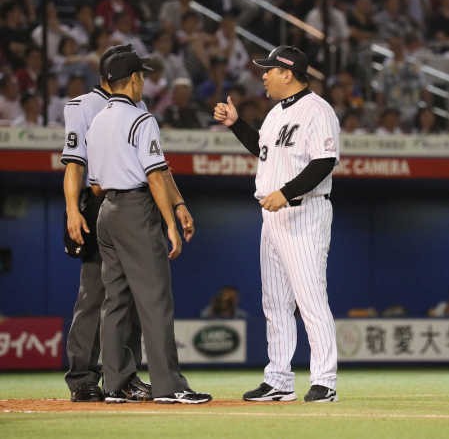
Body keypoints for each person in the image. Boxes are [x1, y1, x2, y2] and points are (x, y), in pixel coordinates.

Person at [214, 45, 339, 403]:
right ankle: (279, 380)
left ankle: (325, 380)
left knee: (311, 298)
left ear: (288, 73)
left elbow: (324, 162)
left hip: (304, 211)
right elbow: (263, 149)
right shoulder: (273, 114)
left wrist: (286, 192)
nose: (264, 74)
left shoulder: (318, 110)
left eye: (269, 69)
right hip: (272, 215)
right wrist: (237, 124)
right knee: (275, 302)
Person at [86, 50, 212, 404]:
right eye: (141, 76)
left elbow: (94, 184)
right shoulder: (141, 119)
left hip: (107, 211)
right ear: (135, 79)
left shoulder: (97, 121)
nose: (143, 81)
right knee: (155, 301)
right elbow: (155, 175)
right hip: (136, 210)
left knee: (116, 302)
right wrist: (170, 223)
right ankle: (169, 386)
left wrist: (179, 202)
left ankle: (114, 385)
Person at [61, 44, 153, 403]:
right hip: (97, 202)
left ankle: (125, 376)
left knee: (128, 296)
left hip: (133, 200)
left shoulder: (139, 106)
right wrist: (73, 209)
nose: (139, 79)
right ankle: (83, 376)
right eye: (135, 73)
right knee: (94, 293)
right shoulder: (82, 106)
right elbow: (74, 164)